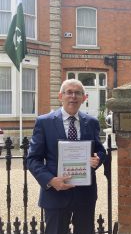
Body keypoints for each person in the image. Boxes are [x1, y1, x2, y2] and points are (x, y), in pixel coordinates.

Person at [27, 79, 106, 234]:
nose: (73, 96)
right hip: (55, 194)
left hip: (85, 195)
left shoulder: (91, 122)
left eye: (78, 93)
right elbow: (32, 159)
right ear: (60, 96)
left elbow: (100, 150)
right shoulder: (44, 122)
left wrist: (98, 159)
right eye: (69, 92)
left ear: (84, 98)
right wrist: (50, 180)